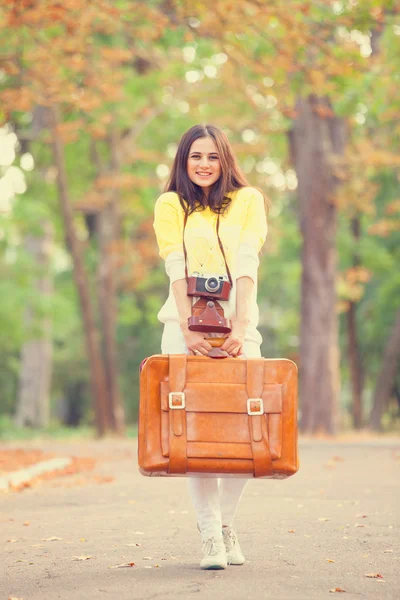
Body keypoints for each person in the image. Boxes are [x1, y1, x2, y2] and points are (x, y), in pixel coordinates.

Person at [153, 124, 268, 570]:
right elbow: (174, 265)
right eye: (195, 156)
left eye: (212, 156)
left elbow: (247, 262)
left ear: (225, 160)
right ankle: (208, 536)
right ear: (183, 161)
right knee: (196, 431)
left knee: (243, 430)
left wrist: (241, 325)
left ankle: (225, 524)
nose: (203, 164)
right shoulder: (171, 204)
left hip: (241, 327)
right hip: (183, 328)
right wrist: (187, 329)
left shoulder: (248, 200)